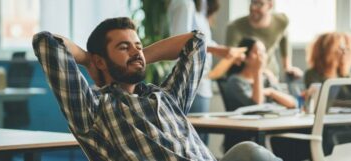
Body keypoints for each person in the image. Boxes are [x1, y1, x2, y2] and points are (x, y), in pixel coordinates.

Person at [32, 17, 281, 161]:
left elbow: (196, 42)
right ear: (100, 60)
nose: (135, 51)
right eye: (123, 47)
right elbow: (46, 43)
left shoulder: (166, 95)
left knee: (249, 151)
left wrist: (137, 57)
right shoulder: (93, 109)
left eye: (138, 45)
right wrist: (90, 60)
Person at [167, 0, 247, 144]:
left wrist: (225, 52)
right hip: (189, 83)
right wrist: (219, 50)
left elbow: (204, 41)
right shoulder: (184, 4)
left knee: (202, 142)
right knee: (191, 142)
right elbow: (180, 43)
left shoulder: (201, 6)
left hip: (203, 84)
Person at [223, 37, 296, 151]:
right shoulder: (235, 81)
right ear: (245, 58)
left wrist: (271, 92)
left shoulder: (266, 78)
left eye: (263, 52)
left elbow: (293, 103)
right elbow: (256, 105)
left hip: (272, 131)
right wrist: (258, 71)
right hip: (247, 138)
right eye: (257, 52)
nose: (261, 56)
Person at [225, 0, 302, 80]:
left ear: (270, 5)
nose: (253, 7)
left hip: (272, 75)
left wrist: (287, 66)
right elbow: (231, 58)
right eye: (252, 2)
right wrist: (261, 71)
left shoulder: (282, 21)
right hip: (245, 78)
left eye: (259, 4)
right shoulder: (235, 27)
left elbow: (284, 37)